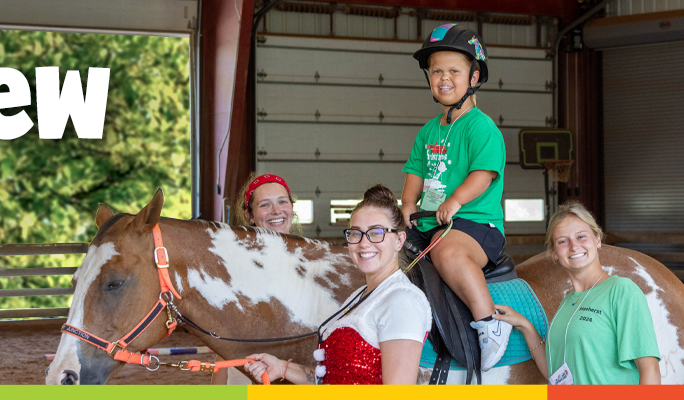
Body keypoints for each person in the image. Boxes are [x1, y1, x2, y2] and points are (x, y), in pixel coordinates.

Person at [401, 23, 511, 370]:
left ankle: (489, 321)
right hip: (434, 222)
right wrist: (407, 205)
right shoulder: (428, 130)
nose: (443, 78)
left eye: (454, 71)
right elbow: (416, 172)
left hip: (476, 225)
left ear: (474, 77)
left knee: (447, 253)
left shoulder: (481, 127)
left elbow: (484, 174)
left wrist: (456, 201)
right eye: (436, 71)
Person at [244, 185, 430, 384]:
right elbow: (335, 379)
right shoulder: (359, 296)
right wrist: (283, 368)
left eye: (376, 232)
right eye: (356, 233)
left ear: (399, 240)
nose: (364, 243)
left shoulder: (401, 302)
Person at [493, 201, 661, 385]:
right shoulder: (567, 303)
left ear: (597, 240)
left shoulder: (621, 291)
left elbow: (649, 370)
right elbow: (555, 373)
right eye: (563, 241)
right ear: (555, 253)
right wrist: (525, 325)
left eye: (581, 237)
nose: (574, 246)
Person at [214, 173, 302, 384]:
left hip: (297, 376)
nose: (276, 211)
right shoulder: (233, 269)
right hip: (245, 379)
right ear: (249, 215)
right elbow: (224, 345)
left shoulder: (313, 262)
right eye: (265, 205)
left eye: (282, 201)